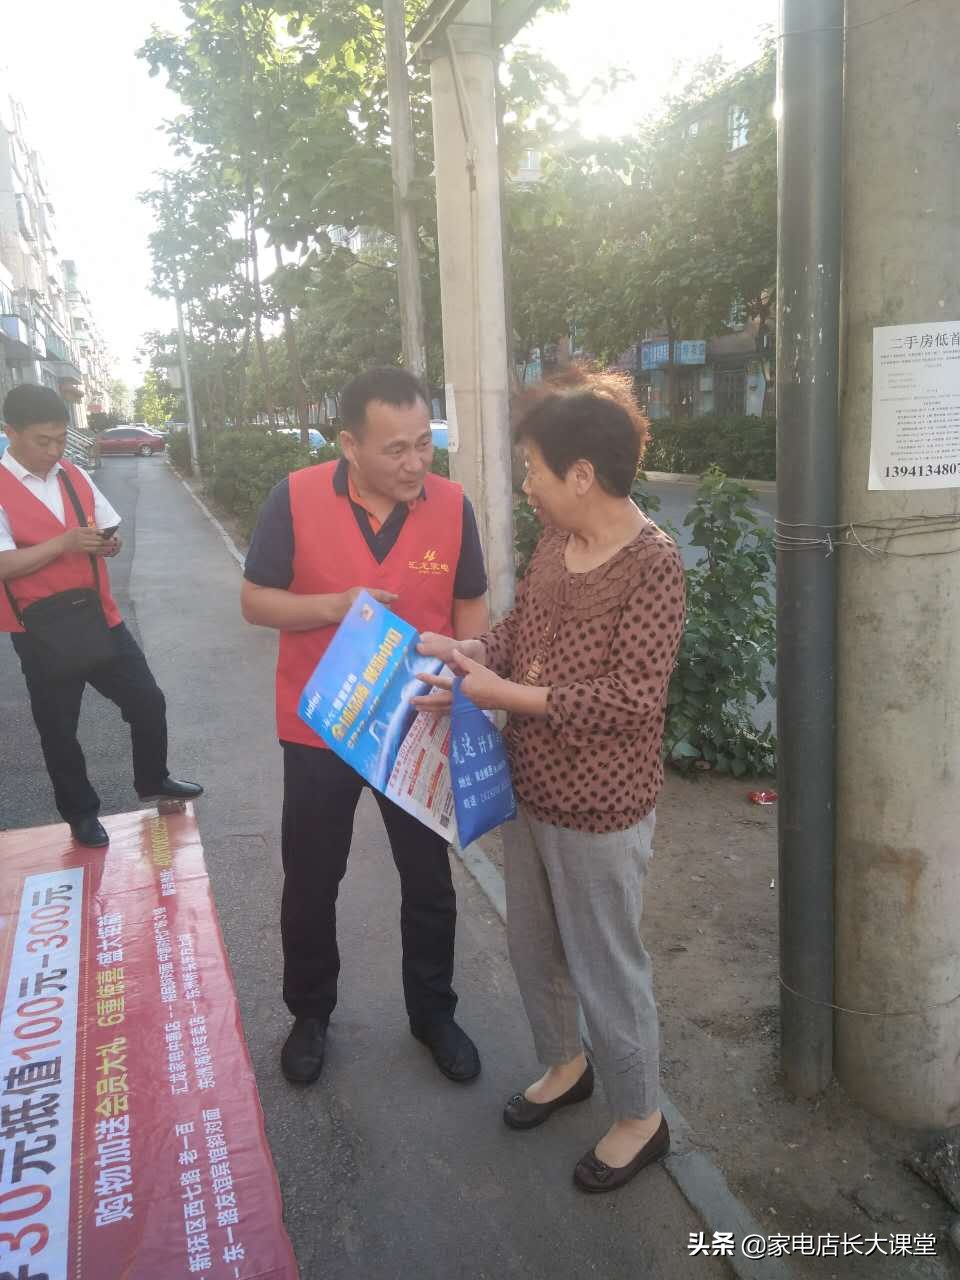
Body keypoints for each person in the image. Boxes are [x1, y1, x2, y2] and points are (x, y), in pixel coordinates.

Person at [415, 367, 686, 1193]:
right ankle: (566, 1065)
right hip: (529, 789)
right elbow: (518, 633)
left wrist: (508, 696)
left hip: (601, 809)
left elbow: (633, 699)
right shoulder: (555, 543)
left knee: (607, 965)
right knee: (535, 949)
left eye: (533, 468)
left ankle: (641, 1117)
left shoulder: (653, 565)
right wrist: (469, 658)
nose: (526, 484)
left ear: (581, 474)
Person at [241, 367, 490, 1086]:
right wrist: (337, 604)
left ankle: (433, 1013)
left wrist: (468, 662)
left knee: (429, 880)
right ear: (349, 445)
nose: (415, 464)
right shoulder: (294, 498)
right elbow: (255, 601)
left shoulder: (452, 505)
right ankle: (310, 1013)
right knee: (313, 876)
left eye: (424, 444)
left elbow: (471, 605)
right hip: (320, 725)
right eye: (395, 449)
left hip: (415, 720)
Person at [0, 384, 203, 847]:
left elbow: (104, 525)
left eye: (60, 439)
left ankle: (153, 779)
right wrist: (65, 543)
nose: (54, 450)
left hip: (98, 617)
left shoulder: (72, 474)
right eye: (43, 441)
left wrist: (109, 543)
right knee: (59, 730)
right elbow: (4, 564)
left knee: (147, 701)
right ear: (11, 432)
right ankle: (81, 814)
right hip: (41, 630)